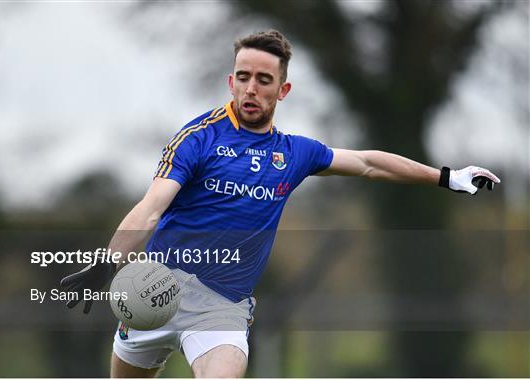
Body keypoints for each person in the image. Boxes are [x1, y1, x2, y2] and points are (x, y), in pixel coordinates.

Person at [60, 29, 501, 378]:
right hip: (155, 289)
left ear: (282, 90)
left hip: (222, 305)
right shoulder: (199, 138)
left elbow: (367, 163)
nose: (251, 88)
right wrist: (108, 262)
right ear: (231, 81)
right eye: (244, 77)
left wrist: (446, 177)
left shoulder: (294, 153)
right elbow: (151, 206)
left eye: (264, 80)